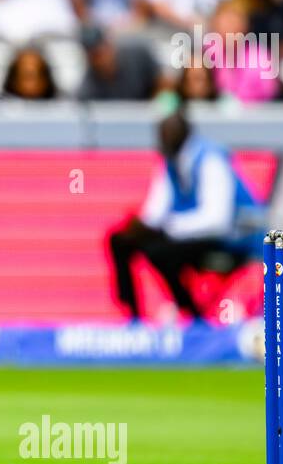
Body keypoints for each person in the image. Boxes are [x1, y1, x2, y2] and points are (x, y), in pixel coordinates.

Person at [108, 112, 262, 321]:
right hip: (191, 236)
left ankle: (191, 311)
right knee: (120, 242)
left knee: (160, 252)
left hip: (233, 241)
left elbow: (217, 221)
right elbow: (155, 212)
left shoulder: (210, 159)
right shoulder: (170, 162)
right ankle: (133, 316)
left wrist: (168, 228)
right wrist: (139, 228)